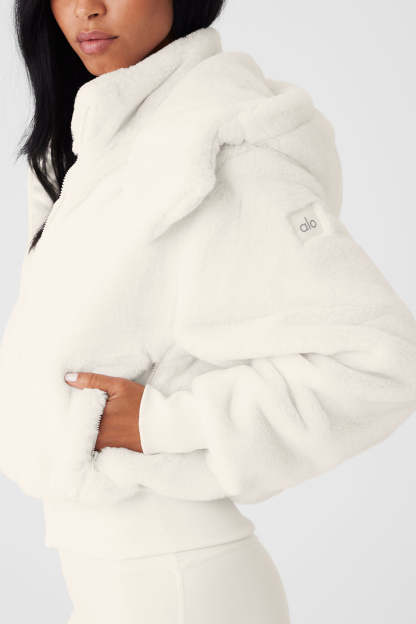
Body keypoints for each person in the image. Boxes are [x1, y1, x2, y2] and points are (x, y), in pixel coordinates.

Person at [1, 1, 416, 622]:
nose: (87, 8)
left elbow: (380, 363)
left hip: (181, 584)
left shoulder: (218, 143)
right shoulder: (100, 145)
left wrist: (160, 424)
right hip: (112, 582)